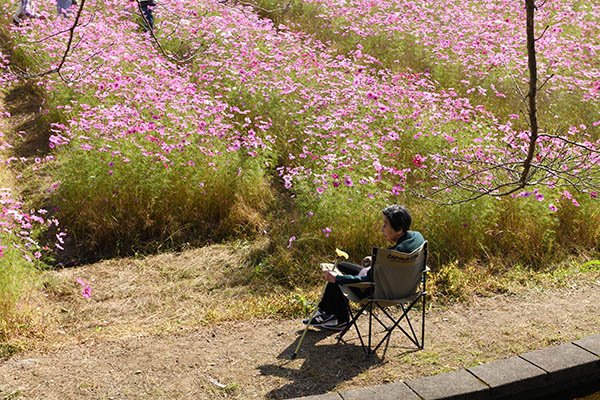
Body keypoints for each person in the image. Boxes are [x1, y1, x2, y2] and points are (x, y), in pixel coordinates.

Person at [304, 205, 425, 330]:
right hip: (407, 289)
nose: (382, 229)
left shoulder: (389, 257)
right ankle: (331, 315)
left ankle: (336, 318)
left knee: (336, 273)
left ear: (399, 230)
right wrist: (377, 261)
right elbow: (399, 257)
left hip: (380, 293)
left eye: (385, 225)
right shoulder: (417, 238)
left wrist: (338, 279)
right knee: (341, 266)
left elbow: (367, 281)